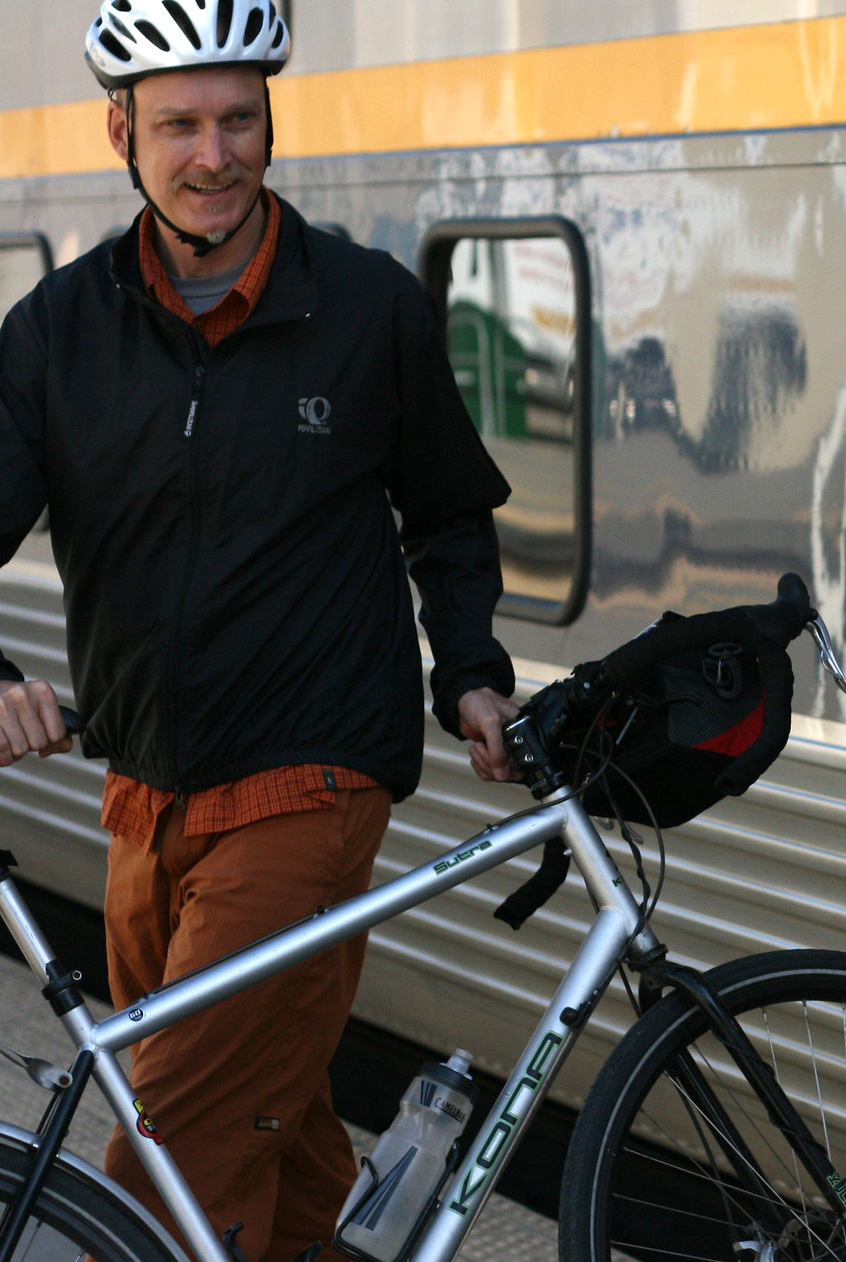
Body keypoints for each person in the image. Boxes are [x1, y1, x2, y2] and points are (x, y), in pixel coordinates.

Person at [0, 1, 523, 1258]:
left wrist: (470, 674)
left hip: (311, 780)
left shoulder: (365, 309)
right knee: (271, 1147)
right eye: (180, 123)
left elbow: (449, 514)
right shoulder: (56, 334)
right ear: (121, 129)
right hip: (144, 790)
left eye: (239, 118)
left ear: (271, 120)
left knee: (162, 1158)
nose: (215, 154)